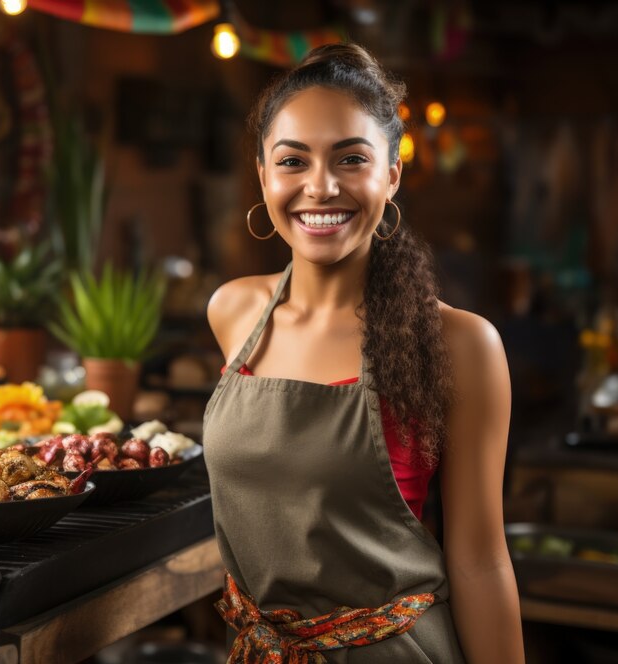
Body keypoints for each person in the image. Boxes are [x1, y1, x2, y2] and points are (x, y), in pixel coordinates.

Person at [203, 43, 524, 663]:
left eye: (351, 159)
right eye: (293, 161)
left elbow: (481, 561)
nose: (320, 187)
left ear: (391, 175)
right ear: (265, 176)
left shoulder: (460, 345)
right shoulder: (233, 314)